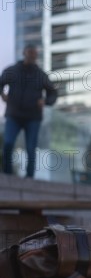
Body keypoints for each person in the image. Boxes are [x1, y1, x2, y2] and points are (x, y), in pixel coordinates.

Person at [0, 45, 57, 178]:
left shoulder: (41, 75)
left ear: (36, 56)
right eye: (30, 52)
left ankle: (29, 178)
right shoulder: (12, 71)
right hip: (14, 115)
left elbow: (53, 93)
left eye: (34, 53)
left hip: (33, 117)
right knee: (8, 143)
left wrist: (46, 101)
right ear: (24, 53)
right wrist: (2, 94)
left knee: (31, 148)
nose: (32, 55)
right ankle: (7, 175)